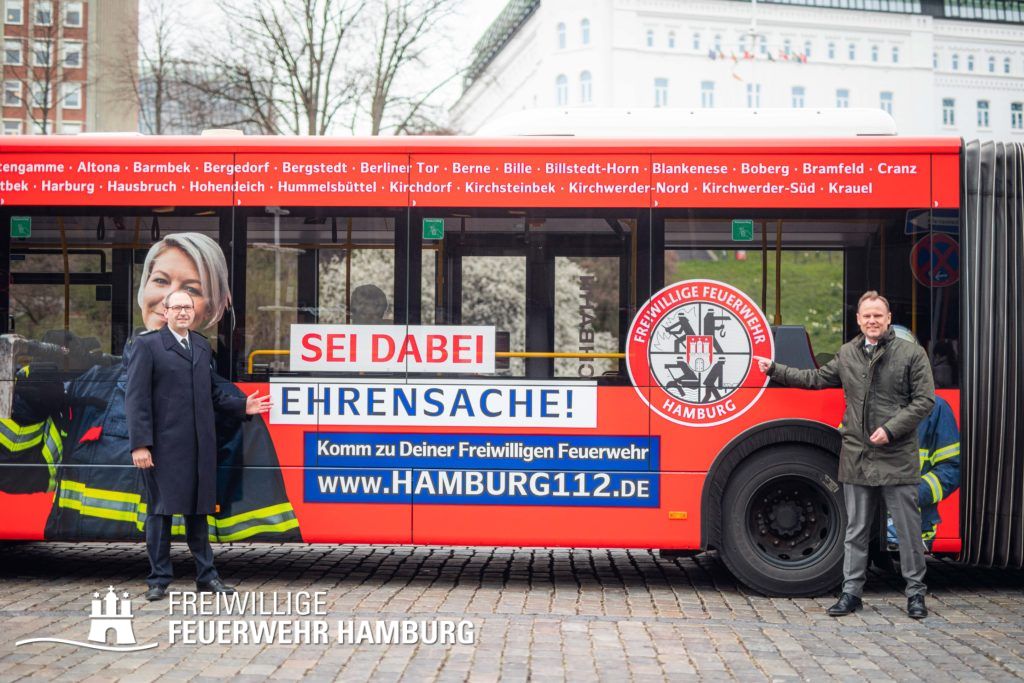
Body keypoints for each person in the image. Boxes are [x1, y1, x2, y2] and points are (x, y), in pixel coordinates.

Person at [1, 233, 300, 546]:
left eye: (191, 289)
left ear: (211, 307)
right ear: (143, 289)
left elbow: (263, 532)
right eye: (160, 280)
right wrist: (26, 411)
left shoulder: (231, 409)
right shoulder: (88, 385)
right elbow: (18, 476)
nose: (171, 300)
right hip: (99, 578)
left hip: (176, 569)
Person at [754, 291, 935, 619]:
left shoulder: (911, 354)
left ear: (889, 318)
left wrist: (891, 429)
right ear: (858, 320)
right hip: (857, 455)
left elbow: (924, 401)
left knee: (908, 531)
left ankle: (915, 595)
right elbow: (815, 379)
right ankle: (851, 593)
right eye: (867, 316)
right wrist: (774, 370)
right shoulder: (848, 353)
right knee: (856, 531)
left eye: (878, 315)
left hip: (896, 454)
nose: (872, 321)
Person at [128, 289, 272, 600]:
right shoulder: (148, 345)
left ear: (194, 313)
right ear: (165, 312)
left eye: (187, 307)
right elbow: (136, 398)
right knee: (160, 514)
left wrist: (241, 406)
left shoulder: (200, 345)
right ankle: (158, 580)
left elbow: (211, 393)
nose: (182, 312)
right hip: (162, 449)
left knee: (198, 514)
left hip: (198, 447)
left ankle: (207, 577)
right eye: (176, 307)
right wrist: (140, 445)